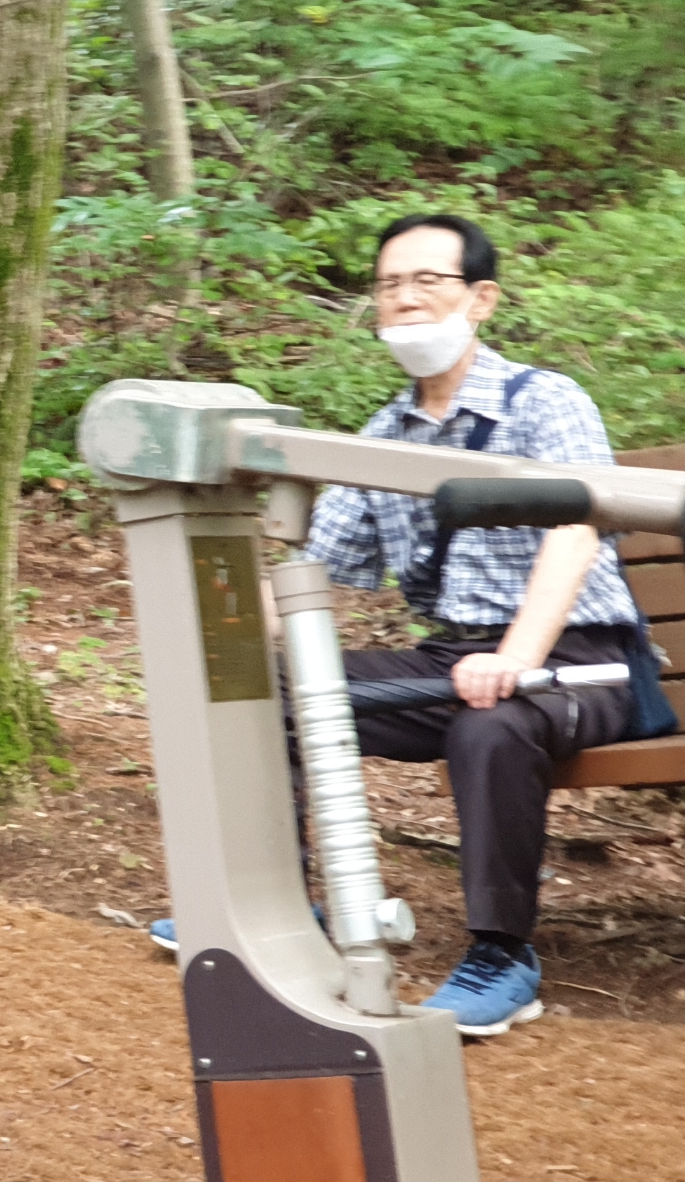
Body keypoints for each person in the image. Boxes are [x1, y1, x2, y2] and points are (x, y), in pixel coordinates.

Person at [152, 214, 642, 1039]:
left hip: (576, 664)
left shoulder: (544, 401)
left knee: (492, 726)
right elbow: (320, 566)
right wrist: (204, 638)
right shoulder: (385, 432)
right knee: (261, 688)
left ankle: (502, 957)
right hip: (452, 661)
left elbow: (577, 530)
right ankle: (276, 906)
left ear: (481, 299)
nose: (405, 299)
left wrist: (514, 658)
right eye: (389, 285)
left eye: (428, 281)